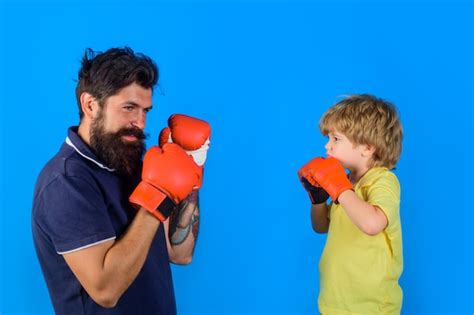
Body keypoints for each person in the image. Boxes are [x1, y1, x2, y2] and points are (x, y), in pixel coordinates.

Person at [32, 47, 211, 315]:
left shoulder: (133, 164)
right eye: (129, 108)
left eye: (145, 110)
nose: (139, 123)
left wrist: (192, 172)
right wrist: (157, 195)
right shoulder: (65, 183)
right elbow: (106, 291)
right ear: (90, 104)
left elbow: (180, 252)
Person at [297, 94, 403, 314]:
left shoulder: (382, 180)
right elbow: (321, 227)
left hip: (371, 306)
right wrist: (318, 199)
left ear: (367, 147)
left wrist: (338, 187)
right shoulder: (345, 183)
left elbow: (373, 224)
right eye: (328, 138)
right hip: (335, 300)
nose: (327, 146)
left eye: (336, 139)